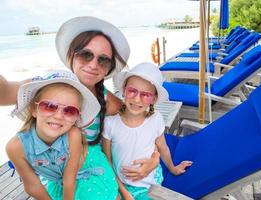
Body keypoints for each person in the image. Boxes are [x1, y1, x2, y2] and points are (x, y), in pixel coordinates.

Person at [1, 16, 160, 197]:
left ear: (108, 68)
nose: (93, 65)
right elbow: (4, 92)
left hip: (92, 165)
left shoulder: (108, 101)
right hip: (56, 170)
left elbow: (142, 125)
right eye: (86, 54)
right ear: (71, 55)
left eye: (103, 60)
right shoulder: (47, 87)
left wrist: (155, 158)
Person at [6, 70, 102, 199]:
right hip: (59, 180)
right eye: (49, 106)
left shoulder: (73, 135)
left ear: (76, 118)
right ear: (34, 109)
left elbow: (69, 179)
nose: (58, 116)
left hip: (82, 168)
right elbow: (33, 186)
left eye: (69, 110)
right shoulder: (15, 147)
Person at [102, 62, 193, 199]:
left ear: (154, 99)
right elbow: (107, 160)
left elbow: (163, 148)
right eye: (132, 91)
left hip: (149, 183)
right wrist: (122, 191)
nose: (137, 99)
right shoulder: (110, 123)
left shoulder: (155, 120)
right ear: (123, 90)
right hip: (121, 183)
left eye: (146, 95)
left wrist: (173, 169)